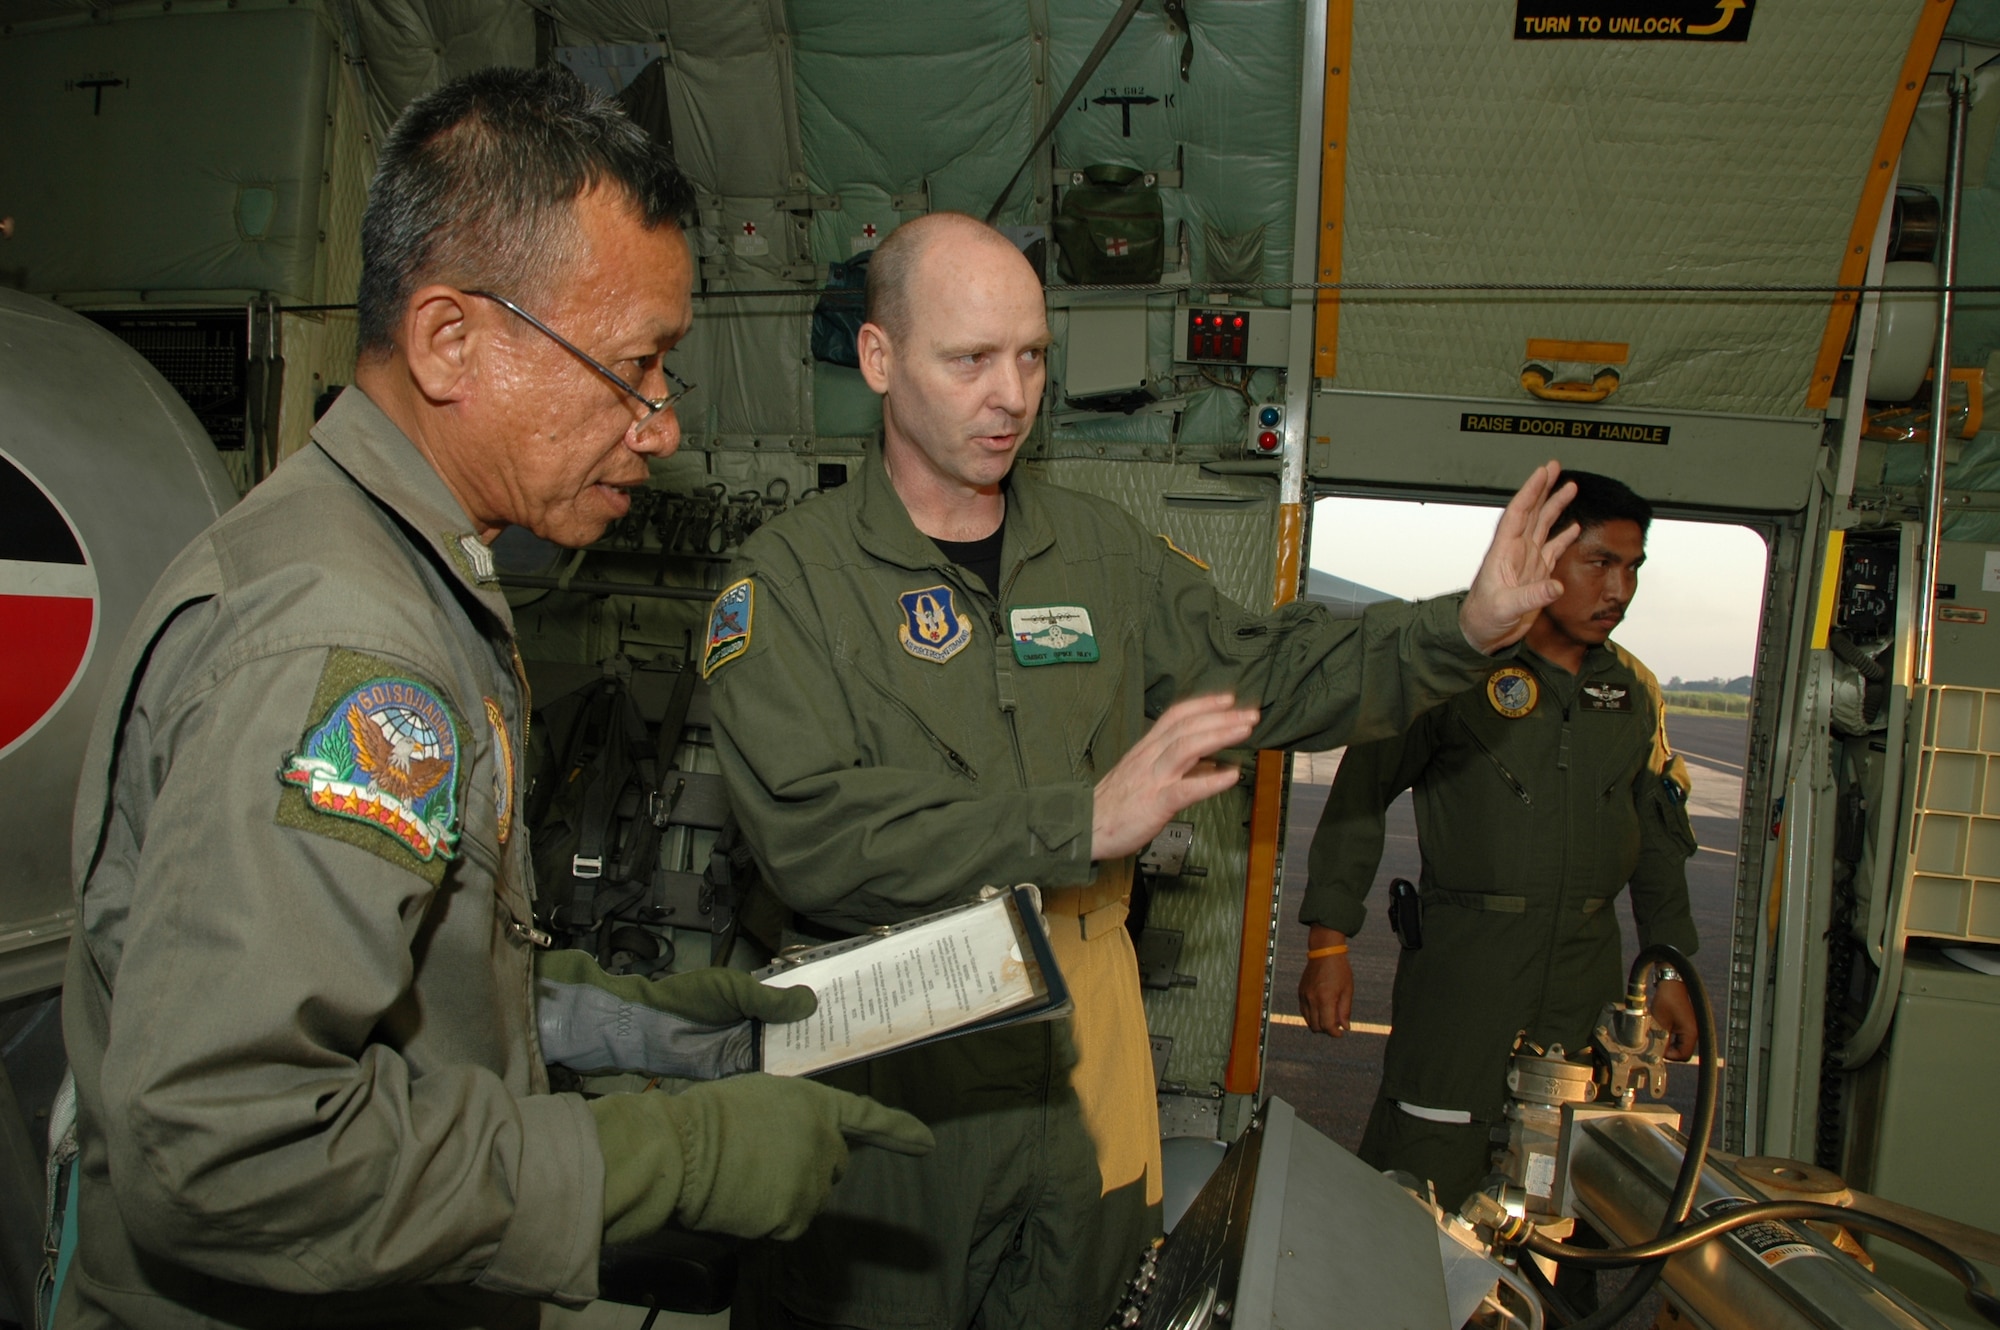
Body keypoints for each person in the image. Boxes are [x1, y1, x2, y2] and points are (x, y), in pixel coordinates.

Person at [57, 68, 929, 1330]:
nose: (662, 426)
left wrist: (652, 1028)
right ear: (449, 341)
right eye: (635, 368)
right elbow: (219, 1143)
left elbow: (402, 982)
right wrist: (664, 1161)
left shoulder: (390, 567)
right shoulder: (344, 642)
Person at [705, 210, 1585, 1330]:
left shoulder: (1098, 555)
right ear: (878, 360)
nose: (1011, 394)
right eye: (969, 359)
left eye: (1031, 355)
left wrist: (1458, 628)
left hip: (1084, 1072)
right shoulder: (787, 583)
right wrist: (1081, 819)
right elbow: (814, 837)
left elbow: (1263, 666)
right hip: (891, 1083)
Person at [1296, 469, 1700, 1211]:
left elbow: (1660, 843)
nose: (1620, 590)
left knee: (1569, 1190)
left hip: (1585, 980)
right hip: (1464, 974)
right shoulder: (1454, 667)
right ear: (1543, 555)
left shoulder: (1633, 692)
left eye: (1633, 568)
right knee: (1421, 1172)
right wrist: (1329, 940)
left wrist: (1668, 969)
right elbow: (1360, 795)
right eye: (1600, 563)